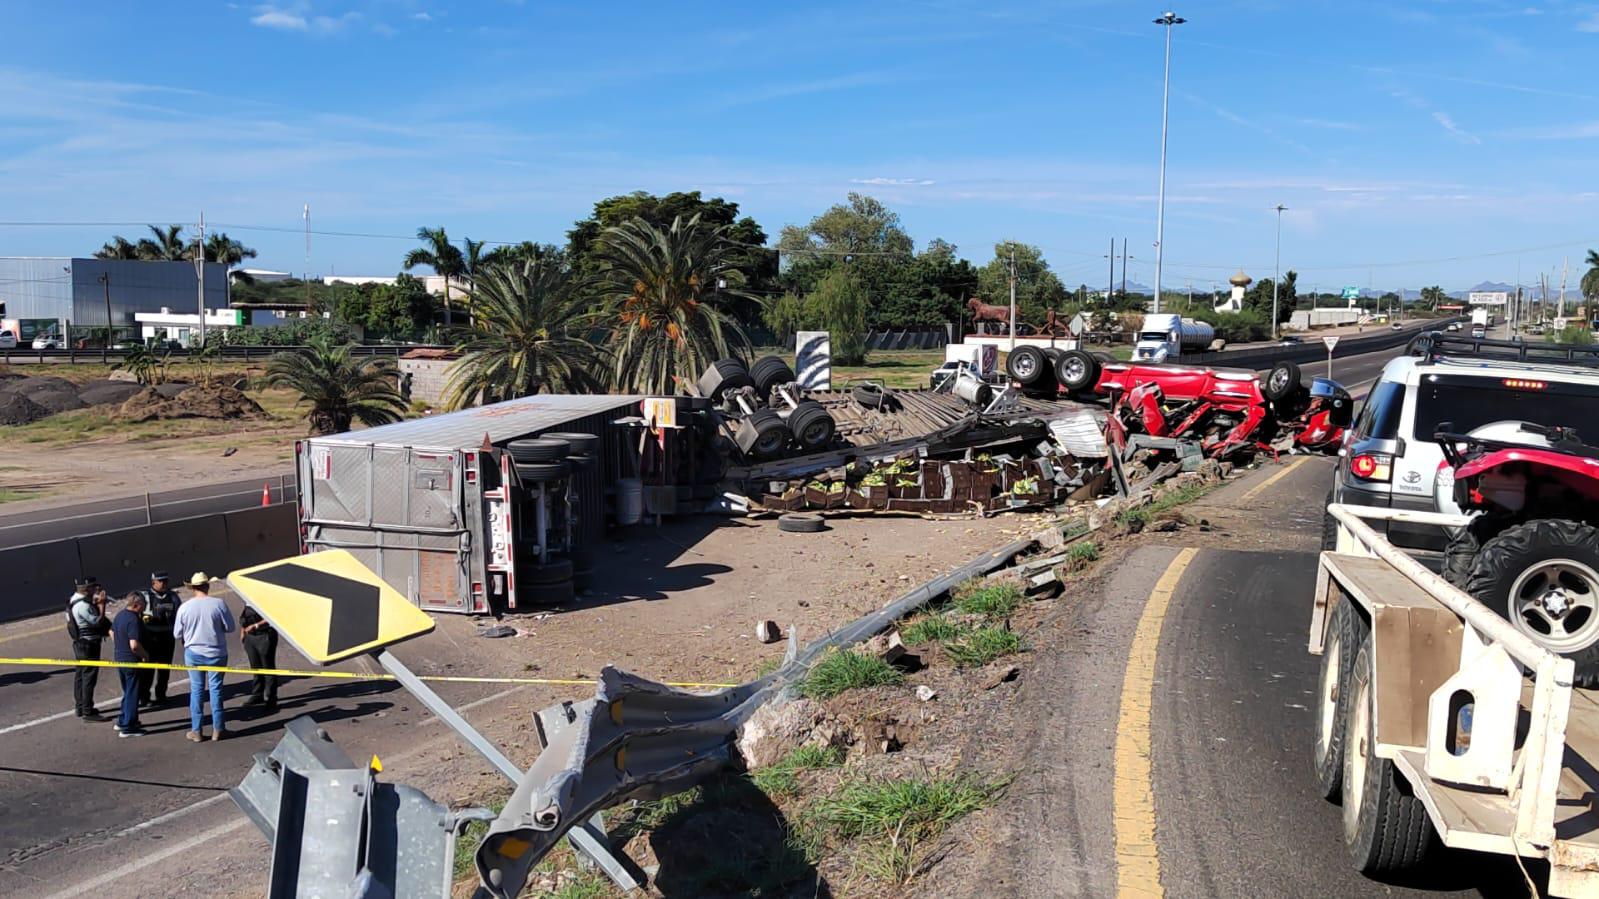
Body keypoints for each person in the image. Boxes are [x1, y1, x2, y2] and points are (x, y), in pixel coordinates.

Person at [172, 572, 235, 742]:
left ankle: (197, 729)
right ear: (207, 586)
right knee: (216, 689)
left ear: (192, 588)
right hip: (216, 652)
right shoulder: (218, 604)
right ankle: (218, 728)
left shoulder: (185, 607)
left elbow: (177, 633)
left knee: (197, 690)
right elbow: (230, 627)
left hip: (194, 653)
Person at [66, 577, 110, 722]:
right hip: (88, 644)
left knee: (80, 675)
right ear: (87, 589)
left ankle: (80, 706)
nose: (96, 590)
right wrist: (102, 606)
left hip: (79, 643)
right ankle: (88, 711)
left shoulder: (73, 600)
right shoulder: (83, 606)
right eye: (93, 588)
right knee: (88, 677)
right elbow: (97, 622)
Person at [137, 570, 182, 708]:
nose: (163, 584)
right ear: (153, 582)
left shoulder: (173, 596)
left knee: (164, 669)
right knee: (147, 670)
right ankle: (144, 697)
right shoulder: (144, 597)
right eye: (160, 581)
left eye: (165, 581)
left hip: (167, 637)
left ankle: (161, 695)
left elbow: (180, 615)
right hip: (150, 638)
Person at [110, 592, 150, 737]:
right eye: (143, 604)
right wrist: (145, 655)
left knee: (128, 691)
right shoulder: (133, 620)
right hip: (132, 661)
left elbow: (111, 632)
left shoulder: (120, 615)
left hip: (120, 658)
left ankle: (122, 719)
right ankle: (129, 726)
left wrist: (120, 646)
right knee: (133, 693)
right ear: (136, 605)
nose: (145, 606)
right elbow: (134, 645)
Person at [239, 604, 279, 711]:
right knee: (255, 667)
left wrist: (256, 625)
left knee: (268, 668)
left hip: (265, 635)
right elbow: (245, 616)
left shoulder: (265, 596)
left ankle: (271, 698)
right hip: (250, 637)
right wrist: (242, 631)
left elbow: (273, 616)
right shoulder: (247, 596)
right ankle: (258, 694)